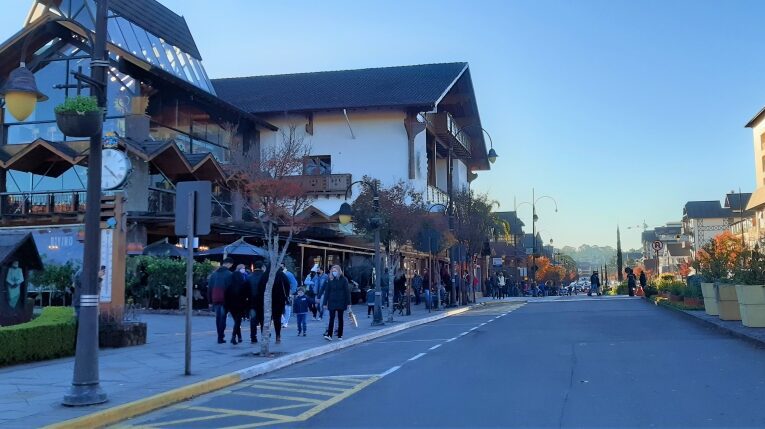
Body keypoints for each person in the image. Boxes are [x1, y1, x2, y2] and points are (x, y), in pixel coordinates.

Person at [208, 258, 234, 344]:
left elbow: (209, 289)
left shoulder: (214, 275)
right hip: (225, 299)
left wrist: (209, 301)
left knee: (218, 318)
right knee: (223, 318)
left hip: (215, 298)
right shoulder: (230, 274)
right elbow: (231, 289)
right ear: (229, 264)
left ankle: (219, 336)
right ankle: (221, 336)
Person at [323, 265, 351, 341]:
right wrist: (324, 303)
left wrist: (349, 303)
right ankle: (329, 335)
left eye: (335, 271)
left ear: (339, 271)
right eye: (333, 271)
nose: (334, 272)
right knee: (331, 318)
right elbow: (327, 292)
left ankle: (340, 335)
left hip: (341, 301)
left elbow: (347, 292)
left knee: (340, 318)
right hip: (332, 302)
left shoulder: (344, 279)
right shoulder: (330, 280)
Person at [227, 264, 249, 345]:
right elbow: (246, 295)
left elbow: (226, 296)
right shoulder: (243, 285)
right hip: (240, 305)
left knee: (236, 321)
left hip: (231, 306)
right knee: (238, 321)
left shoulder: (229, 286)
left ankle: (239, 337)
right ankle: (233, 336)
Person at [248, 263, 265, 343]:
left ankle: (253, 337)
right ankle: (264, 335)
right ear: (262, 267)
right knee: (263, 319)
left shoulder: (249, 277)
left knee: (253, 320)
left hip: (252, 301)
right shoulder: (265, 276)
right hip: (263, 301)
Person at [280, 263, 298, 328]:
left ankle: (285, 322)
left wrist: (291, 292)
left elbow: (294, 283)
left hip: (288, 293)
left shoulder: (288, 274)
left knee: (287, 308)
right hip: (280, 294)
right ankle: (283, 320)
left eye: (281, 266)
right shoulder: (278, 274)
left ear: (284, 267)